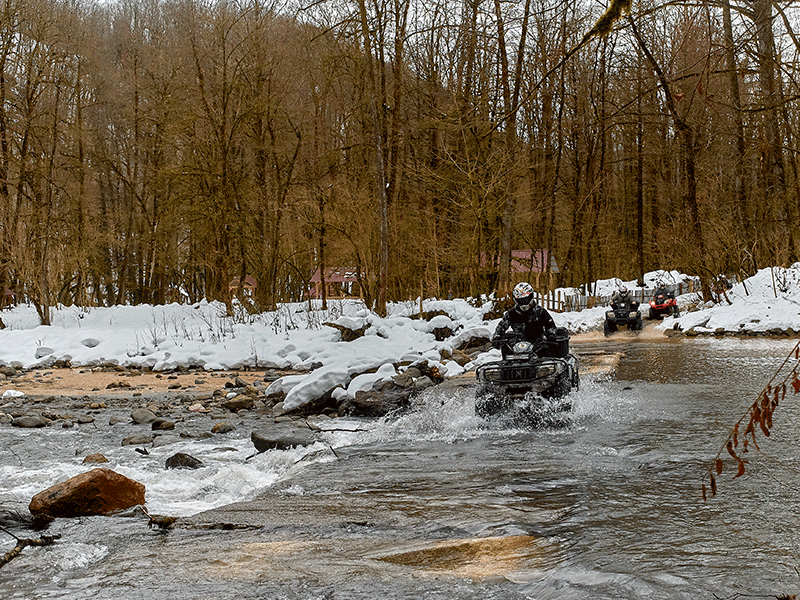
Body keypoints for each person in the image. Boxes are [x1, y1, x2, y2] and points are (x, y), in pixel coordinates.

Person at [492, 282, 557, 348]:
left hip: (538, 346)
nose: (523, 302)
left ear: (530, 297)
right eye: (520, 300)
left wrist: (551, 334)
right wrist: (497, 337)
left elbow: (550, 325)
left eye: (525, 299)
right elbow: (501, 326)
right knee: (505, 349)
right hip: (516, 347)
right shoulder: (511, 313)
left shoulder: (540, 311)